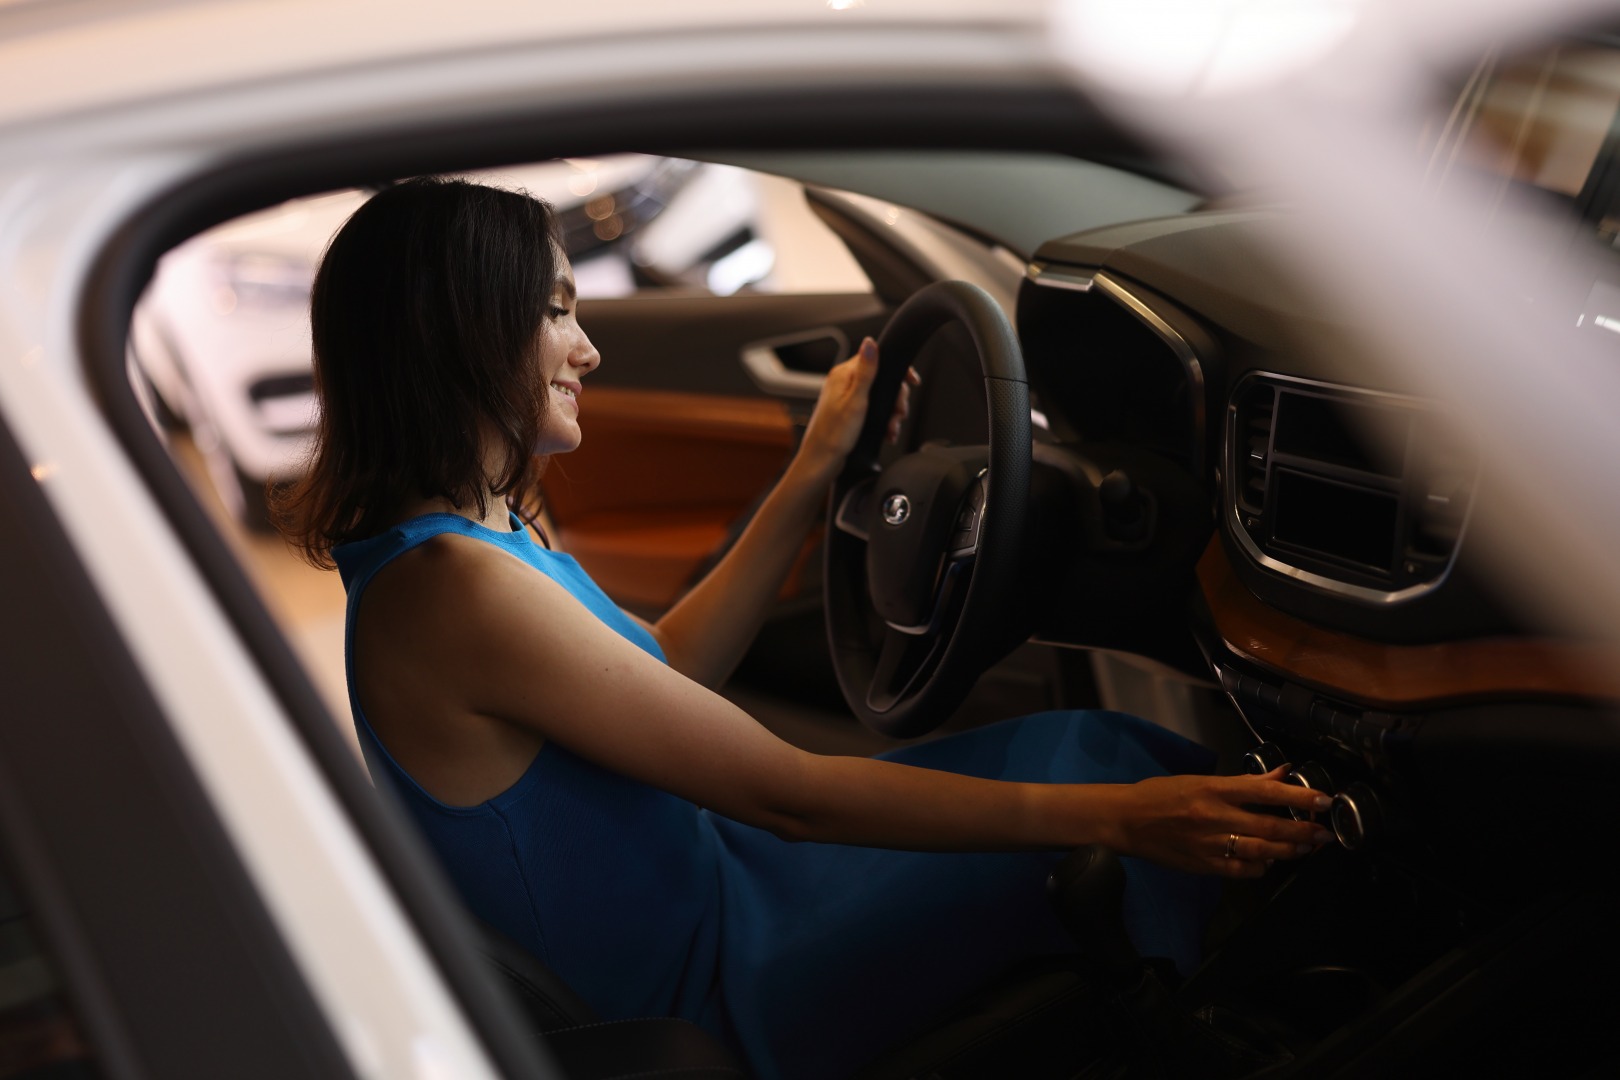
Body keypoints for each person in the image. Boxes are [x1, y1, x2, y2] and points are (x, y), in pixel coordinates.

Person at [276, 177, 1329, 1079]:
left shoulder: (476, 535)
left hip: (733, 886)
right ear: (460, 332)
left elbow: (668, 666)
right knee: (1108, 788)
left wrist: (815, 467)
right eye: (556, 313)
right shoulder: (453, 586)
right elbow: (788, 795)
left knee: (1094, 755)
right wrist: (1127, 820)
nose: (587, 350)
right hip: (715, 981)